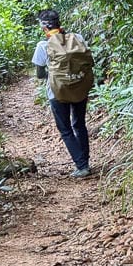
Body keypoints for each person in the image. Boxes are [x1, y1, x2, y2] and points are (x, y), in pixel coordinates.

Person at [32, 9, 92, 178]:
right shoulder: (77, 38)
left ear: (44, 28)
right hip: (79, 86)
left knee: (65, 130)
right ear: (59, 23)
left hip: (57, 93)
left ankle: (82, 166)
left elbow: (40, 74)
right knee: (79, 124)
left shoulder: (43, 45)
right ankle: (85, 162)